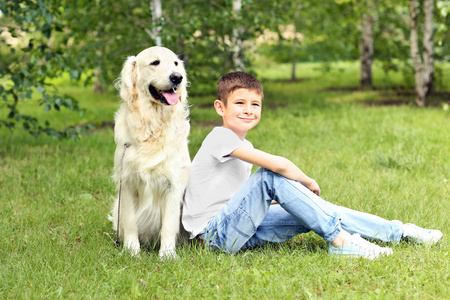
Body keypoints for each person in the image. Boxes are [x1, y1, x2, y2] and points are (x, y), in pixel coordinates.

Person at [181, 71, 443, 259]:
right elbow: (278, 166)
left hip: (238, 228)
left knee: (315, 207)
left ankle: (400, 233)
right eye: (239, 103)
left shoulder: (243, 148)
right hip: (213, 238)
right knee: (269, 176)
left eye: (255, 104)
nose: (248, 110)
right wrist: (306, 181)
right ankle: (341, 243)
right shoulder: (219, 137)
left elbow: (239, 198)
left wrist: (299, 197)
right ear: (220, 107)